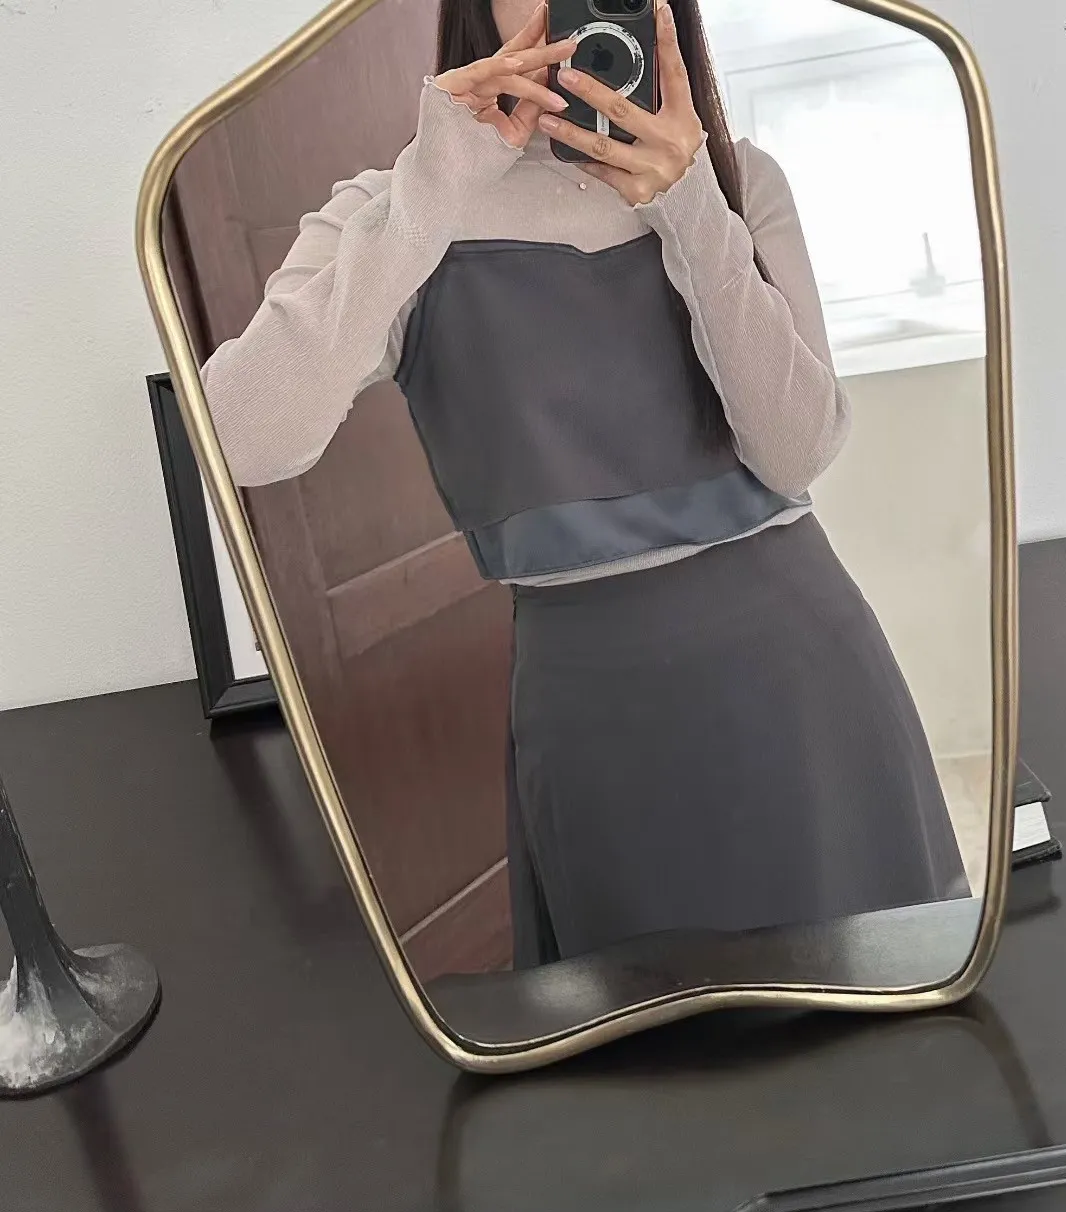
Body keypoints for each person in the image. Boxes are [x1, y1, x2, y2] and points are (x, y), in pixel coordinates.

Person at [201, 0, 969, 968]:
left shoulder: (737, 179)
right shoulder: (397, 209)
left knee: (872, 1015)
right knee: (656, 1043)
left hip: (803, 679)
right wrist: (435, 183)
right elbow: (239, 439)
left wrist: (690, 209)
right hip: (593, 716)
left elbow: (798, 450)